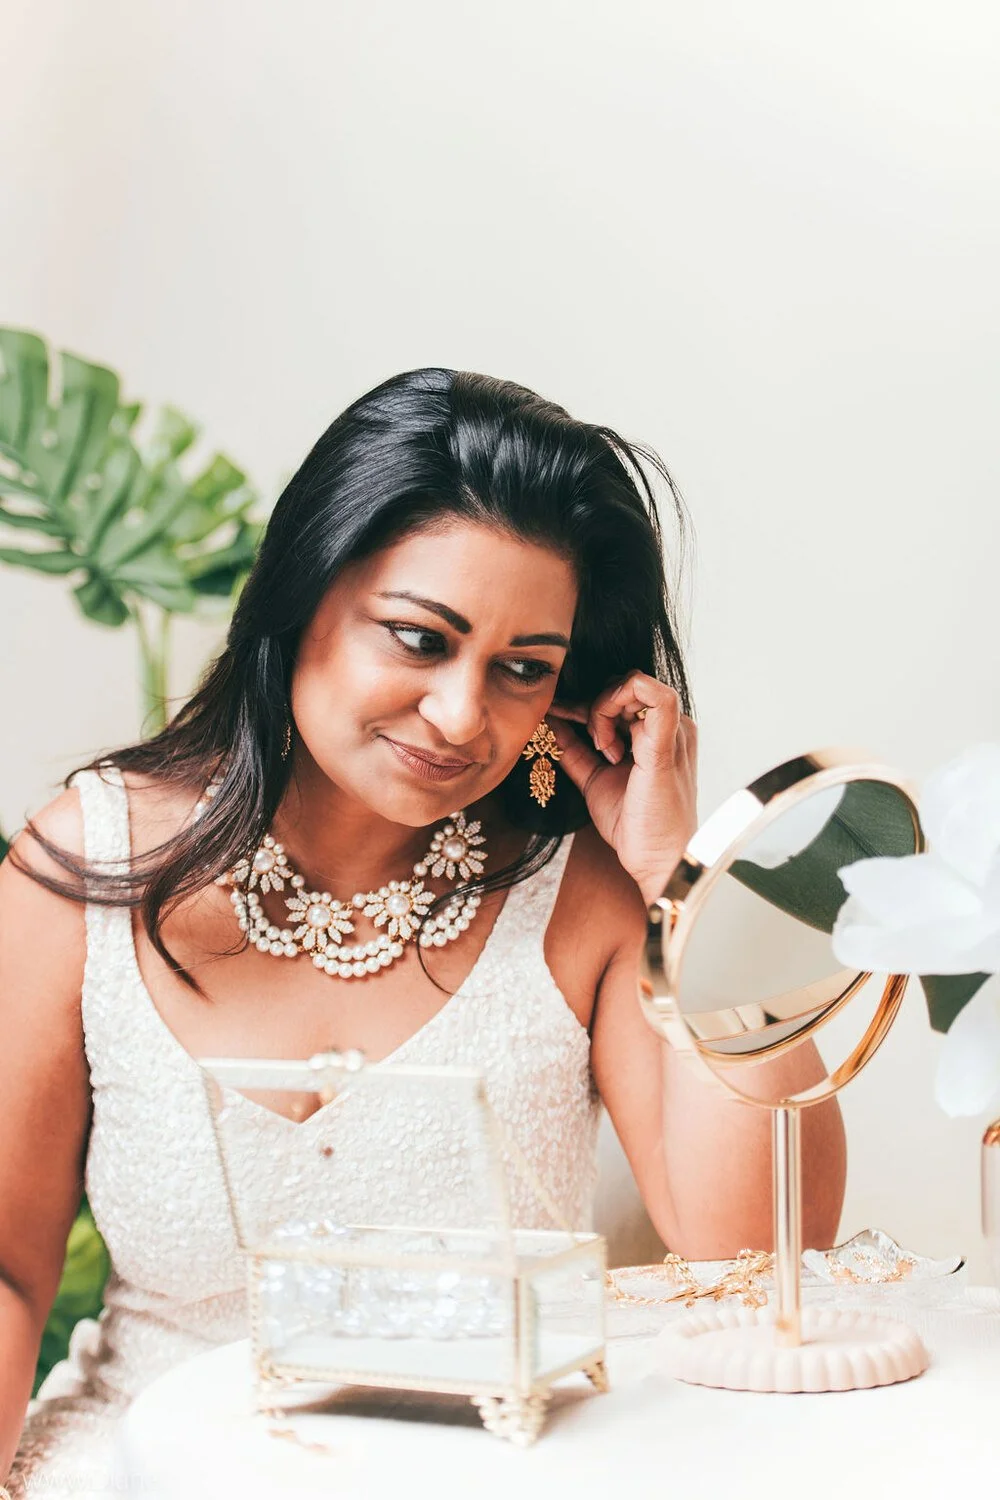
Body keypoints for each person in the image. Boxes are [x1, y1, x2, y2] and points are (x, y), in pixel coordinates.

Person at [0, 368, 846, 1495]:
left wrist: (674, 875)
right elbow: (7, 1272)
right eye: (416, 638)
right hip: (135, 1470)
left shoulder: (584, 901)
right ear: (301, 597)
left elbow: (760, 1258)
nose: (461, 716)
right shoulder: (94, 866)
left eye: (521, 671)